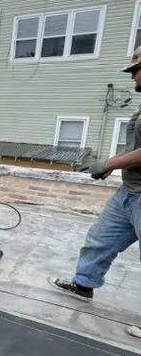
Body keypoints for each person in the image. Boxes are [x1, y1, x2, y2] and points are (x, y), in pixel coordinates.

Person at [51, 48, 141, 337]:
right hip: (130, 192)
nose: (132, 77)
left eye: (135, 70)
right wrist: (110, 166)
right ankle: (83, 285)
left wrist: (109, 163)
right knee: (100, 240)